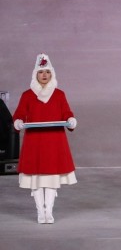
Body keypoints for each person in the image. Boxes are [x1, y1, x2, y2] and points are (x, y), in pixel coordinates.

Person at [12, 53, 78, 224]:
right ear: (36, 74)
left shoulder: (59, 94)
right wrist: (18, 122)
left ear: (52, 74)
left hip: (54, 141)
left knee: (50, 178)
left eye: (48, 72)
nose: (44, 75)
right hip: (34, 142)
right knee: (36, 179)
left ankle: (49, 210)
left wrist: (71, 120)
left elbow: (66, 112)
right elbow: (18, 113)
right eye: (41, 72)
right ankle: (40, 210)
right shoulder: (27, 95)